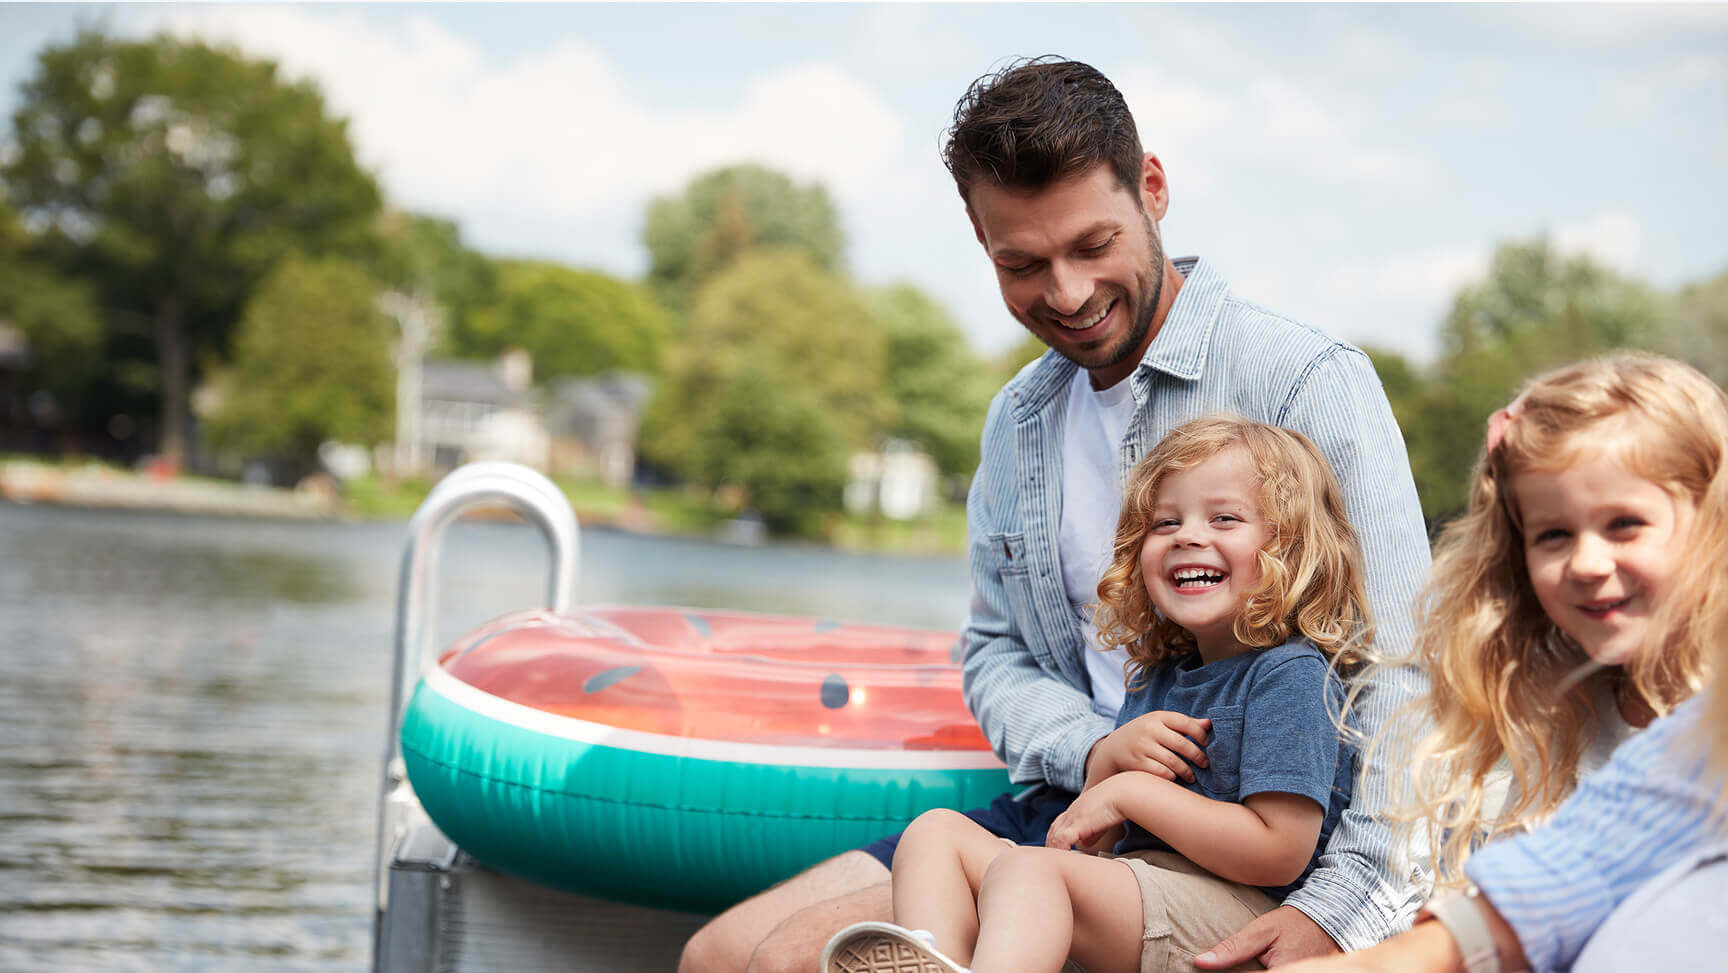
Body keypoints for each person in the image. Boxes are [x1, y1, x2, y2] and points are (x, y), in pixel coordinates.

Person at [677, 57, 1433, 973]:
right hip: (1071, 806)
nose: (1067, 294)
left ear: (1152, 189)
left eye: (1092, 245)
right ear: (979, 235)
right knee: (719, 954)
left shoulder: (1307, 379)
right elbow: (996, 650)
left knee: (787, 962)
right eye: (1022, 263)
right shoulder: (1019, 420)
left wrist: (1340, 913)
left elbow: (1411, 671)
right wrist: (1098, 750)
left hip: (1231, 840)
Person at [821, 416, 1373, 972]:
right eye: (1164, 522)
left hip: (1240, 913)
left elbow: (1280, 851)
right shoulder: (1157, 677)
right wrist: (1107, 767)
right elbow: (1095, 847)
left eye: (1224, 518)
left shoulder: (1290, 675)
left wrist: (1131, 793)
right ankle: (943, 961)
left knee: (1028, 870)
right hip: (1141, 889)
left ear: (1293, 550)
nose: (1187, 535)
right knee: (934, 834)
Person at [1279, 352, 1728, 973]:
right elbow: (1545, 880)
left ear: (1713, 525)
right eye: (1554, 536)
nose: (1588, 563)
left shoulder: (1711, 721)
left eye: (1624, 525)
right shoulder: (1561, 707)